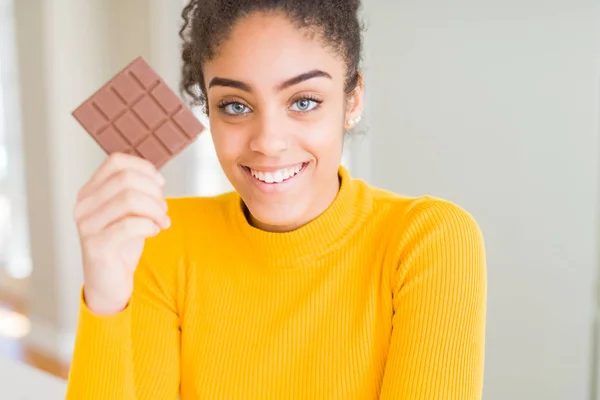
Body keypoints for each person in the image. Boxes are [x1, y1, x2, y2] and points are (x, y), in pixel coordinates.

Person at [65, 0, 487, 398]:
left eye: (304, 102)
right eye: (234, 106)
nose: (268, 142)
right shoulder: (160, 238)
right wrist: (105, 297)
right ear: (207, 111)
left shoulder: (428, 241)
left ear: (352, 100)